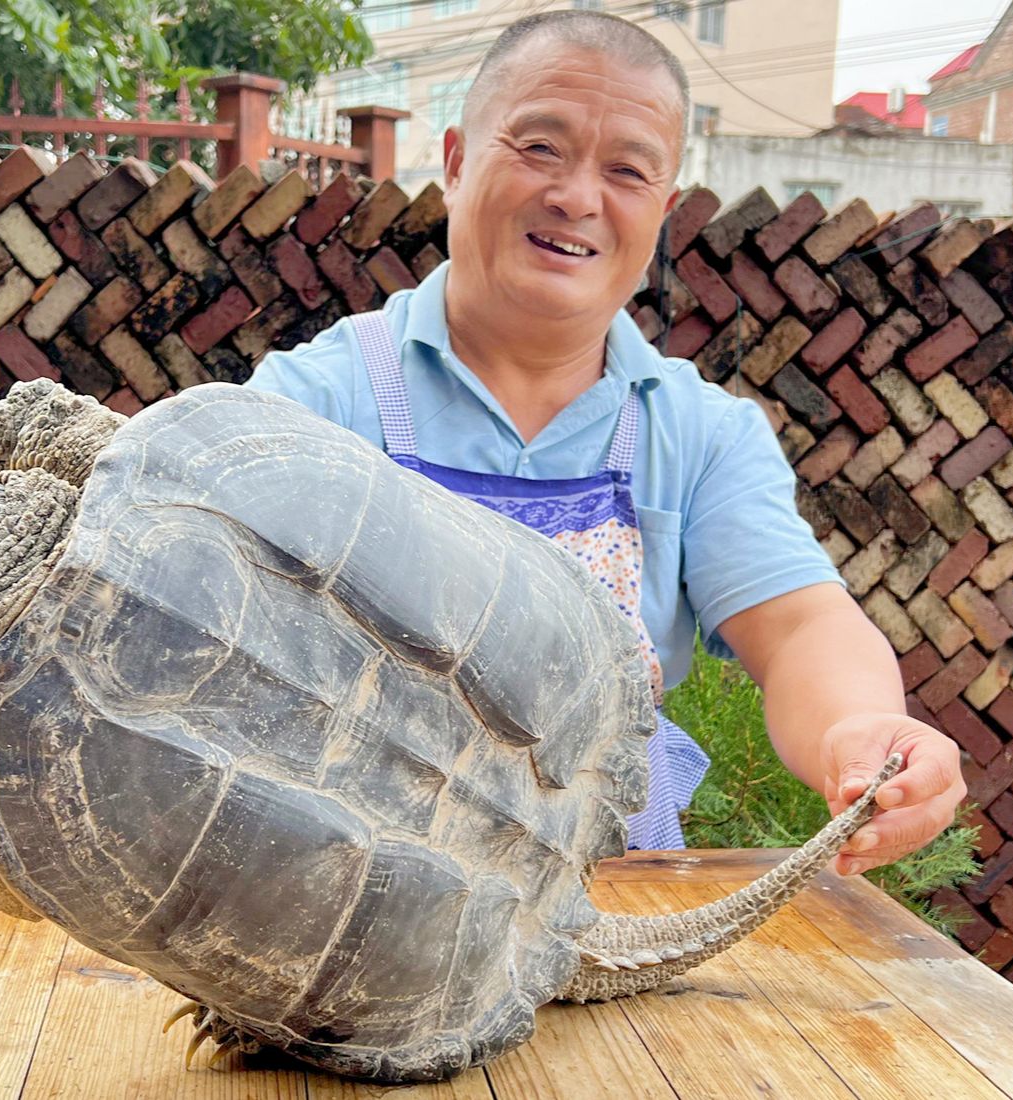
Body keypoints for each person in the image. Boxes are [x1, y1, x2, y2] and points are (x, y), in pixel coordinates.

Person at [246, 10, 966, 873]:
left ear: (662, 211)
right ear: (455, 163)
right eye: (541, 148)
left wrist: (862, 732)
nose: (578, 197)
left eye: (626, 170)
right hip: (339, 908)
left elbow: (804, 625)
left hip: (608, 914)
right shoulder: (309, 406)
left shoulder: (698, 434)